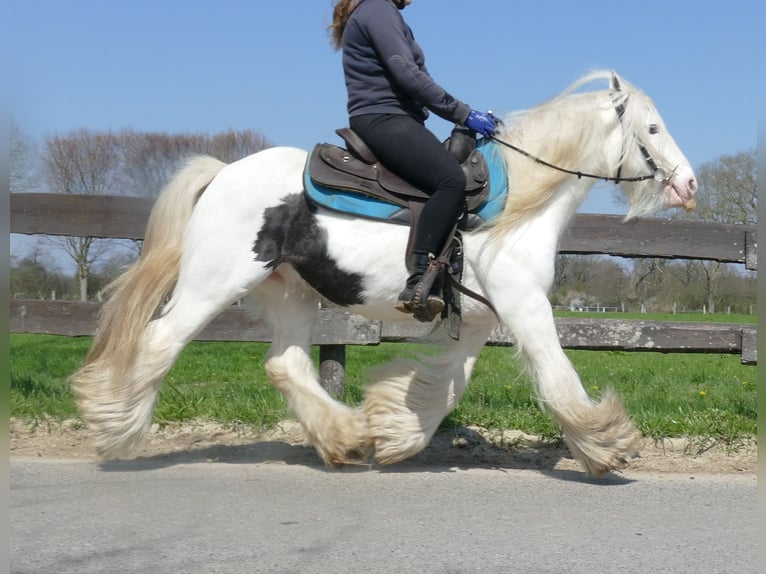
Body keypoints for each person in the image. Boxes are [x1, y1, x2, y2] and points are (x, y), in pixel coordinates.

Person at [330, 0, 497, 319]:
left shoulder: (377, 10)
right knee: (450, 179)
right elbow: (407, 74)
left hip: (396, 118)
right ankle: (420, 278)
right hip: (384, 117)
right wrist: (464, 113)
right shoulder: (378, 8)